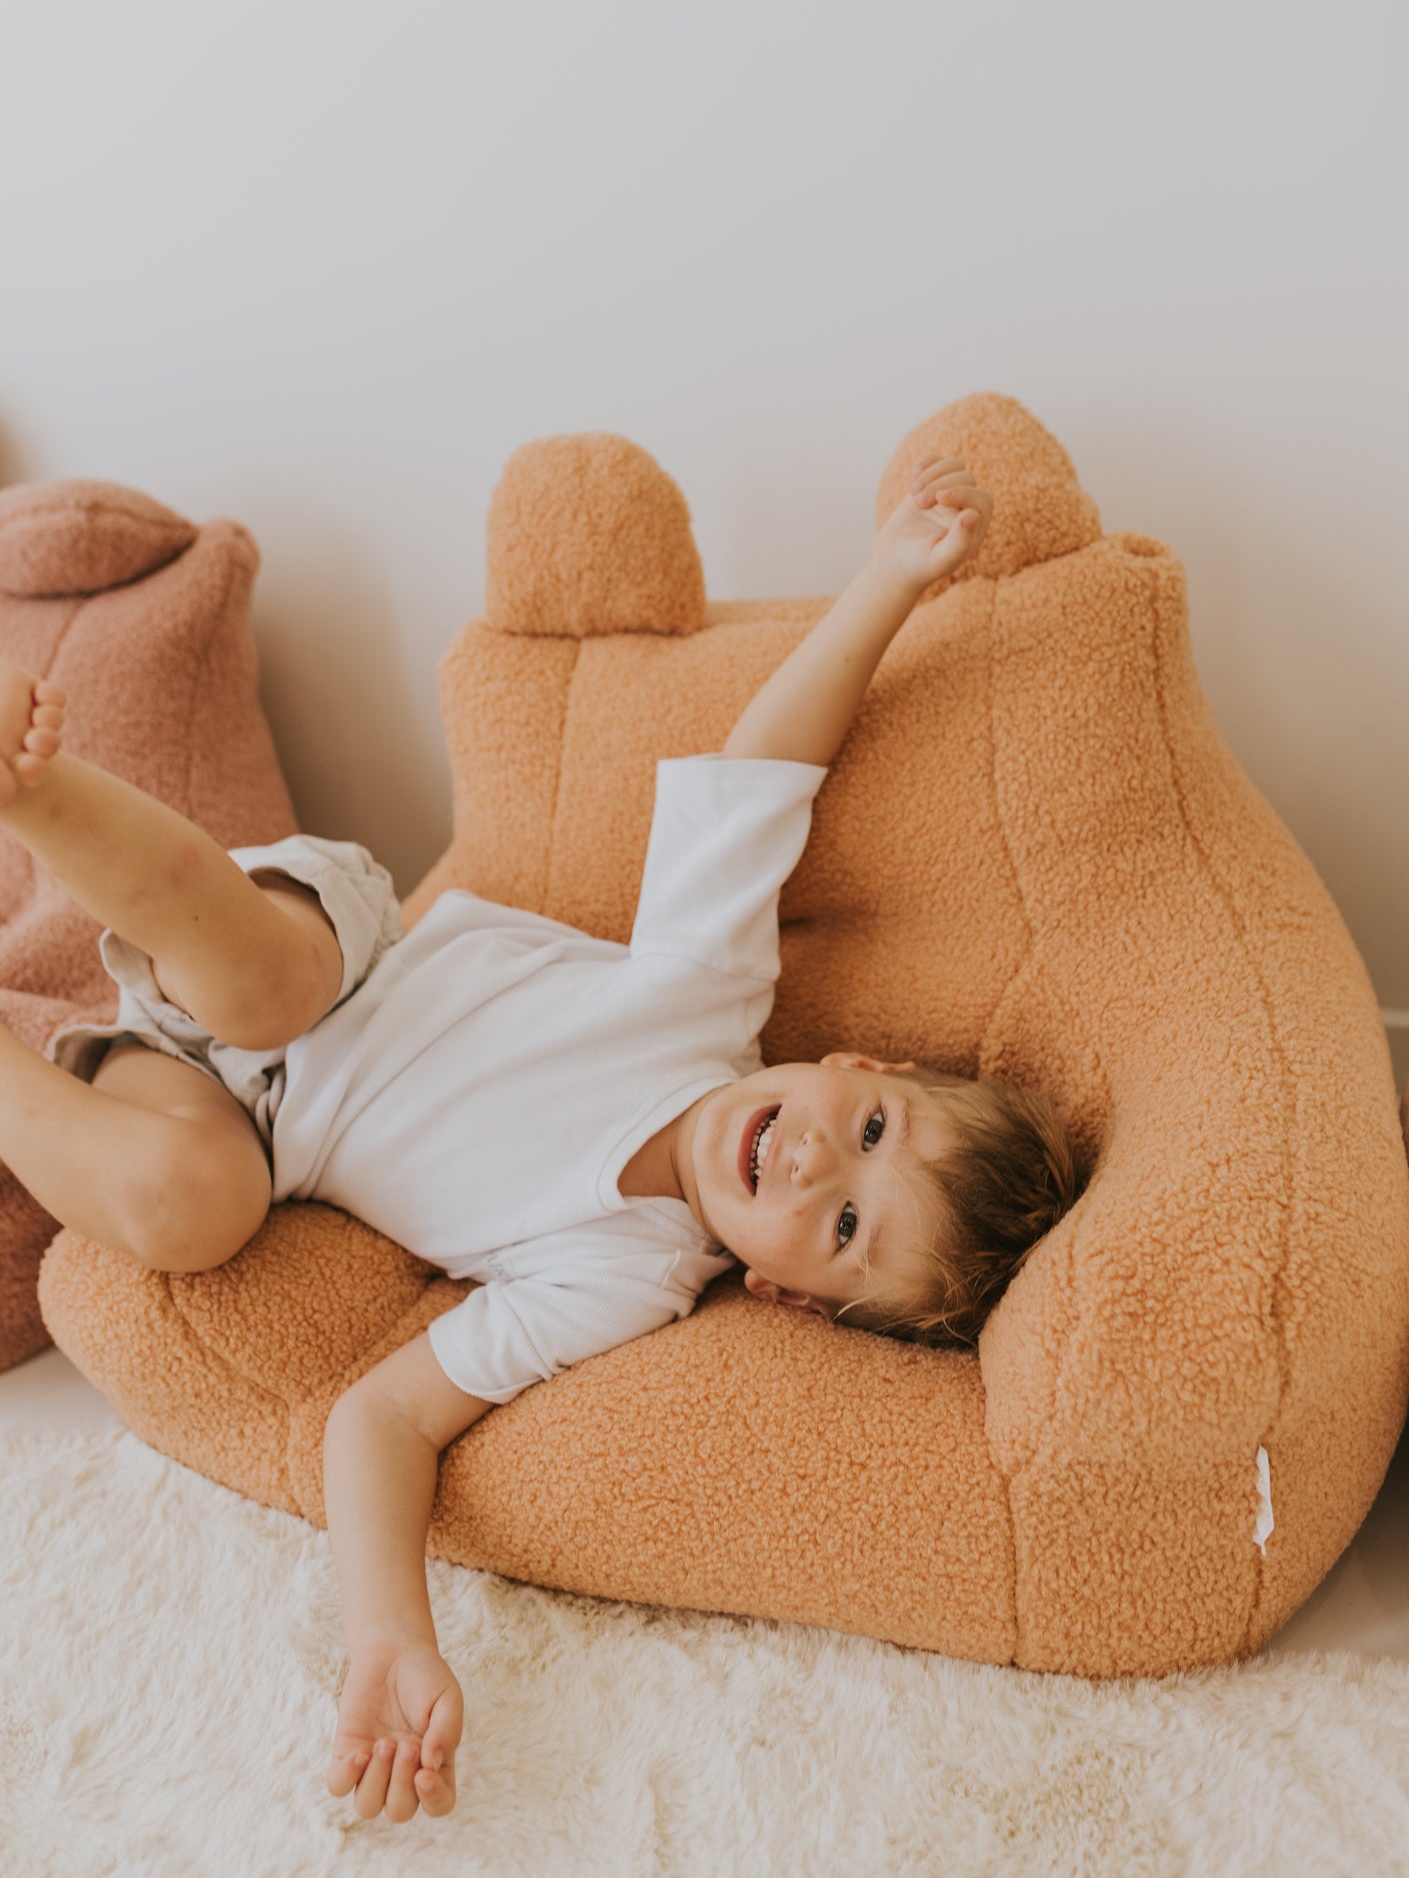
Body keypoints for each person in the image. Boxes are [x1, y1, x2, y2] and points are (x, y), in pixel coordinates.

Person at [0, 455, 1089, 1825]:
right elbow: (765, 771)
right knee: (263, 985)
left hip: (240, 1113)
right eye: (868, 1126)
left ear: (787, 1295)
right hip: (328, 957)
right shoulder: (704, 1001)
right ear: (848, 1062)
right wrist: (883, 584)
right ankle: (23, 781)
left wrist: (389, 1633)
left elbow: (385, 1415)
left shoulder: (620, 1280)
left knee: (190, 1208)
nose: (817, 1164)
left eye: (847, 1227)